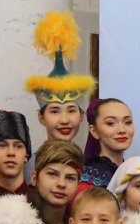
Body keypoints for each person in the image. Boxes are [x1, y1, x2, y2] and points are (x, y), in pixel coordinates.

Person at [25, 11, 94, 147]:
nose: (64, 120)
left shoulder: (88, 161)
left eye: (71, 110)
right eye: (55, 111)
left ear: (82, 116)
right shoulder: (28, 161)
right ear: (41, 118)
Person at [81, 97, 136, 187]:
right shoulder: (86, 179)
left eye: (128, 122)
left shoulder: (135, 172)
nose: (122, 130)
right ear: (94, 131)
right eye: (110, 123)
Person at [0, 111, 33, 196]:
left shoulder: (40, 201)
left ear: (26, 155)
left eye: (18, 146)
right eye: (2, 146)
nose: (11, 152)